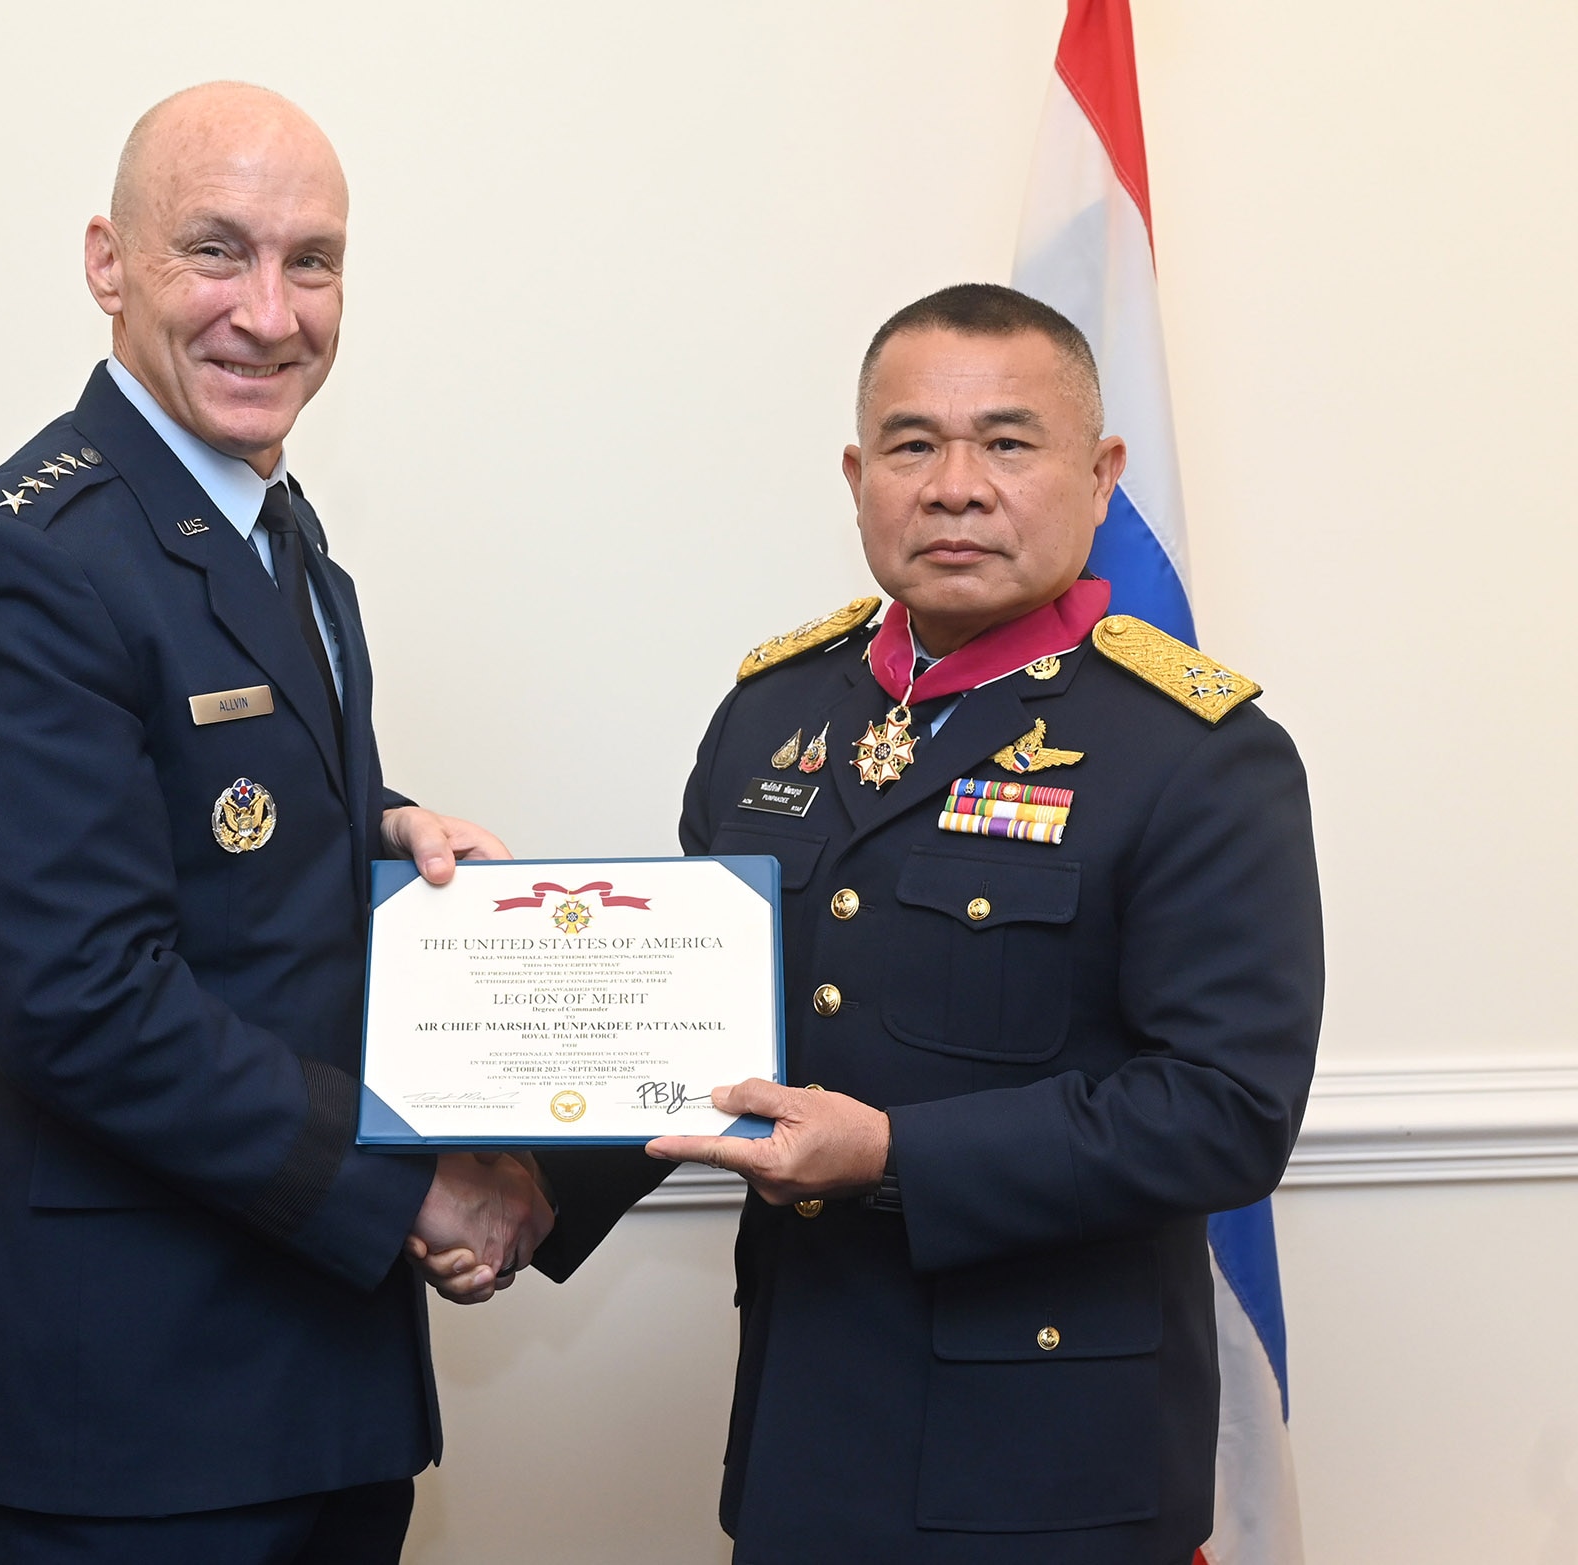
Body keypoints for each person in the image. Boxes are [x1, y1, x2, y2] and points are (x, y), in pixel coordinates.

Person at [529, 284, 1324, 1564]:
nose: (954, 485)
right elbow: (688, 1027)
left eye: (1007, 443)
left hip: (1051, 1466)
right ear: (856, 475)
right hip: (802, 1433)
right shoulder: (769, 715)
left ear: (1101, 472)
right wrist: (517, 1195)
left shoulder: (1195, 754)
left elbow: (1223, 1110)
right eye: (911, 444)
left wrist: (893, 1153)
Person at [0, 83, 551, 1563]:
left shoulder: (280, 538)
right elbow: (78, 996)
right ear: (107, 264)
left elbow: (208, 827)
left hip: (310, 1379)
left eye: (311, 260)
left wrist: (374, 832)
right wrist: (417, 1188)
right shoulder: (27, 562)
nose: (271, 311)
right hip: (121, 1414)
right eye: (217, 250)